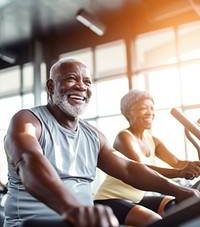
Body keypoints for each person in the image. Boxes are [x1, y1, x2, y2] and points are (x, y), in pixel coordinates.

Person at [3, 59, 200, 227]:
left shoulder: (92, 135)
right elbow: (29, 161)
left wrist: (179, 190)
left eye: (87, 82)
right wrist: (74, 209)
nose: (81, 86)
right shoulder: (28, 121)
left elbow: (129, 168)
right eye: (71, 79)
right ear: (51, 86)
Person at [94, 89, 200, 223]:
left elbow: (177, 162)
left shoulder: (152, 140)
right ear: (128, 112)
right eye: (144, 108)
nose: (150, 112)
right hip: (110, 199)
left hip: (137, 199)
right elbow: (142, 169)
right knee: (153, 220)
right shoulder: (124, 137)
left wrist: (194, 166)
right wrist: (180, 172)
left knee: (178, 205)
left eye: (151, 108)